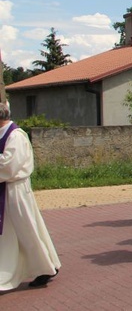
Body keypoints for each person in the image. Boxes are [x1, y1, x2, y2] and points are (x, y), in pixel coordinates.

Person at [0, 102, 61, 290]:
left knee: (27, 231)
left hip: (15, 190)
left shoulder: (16, 135)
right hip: (5, 190)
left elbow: (9, 165)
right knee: (9, 235)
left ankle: (45, 268)